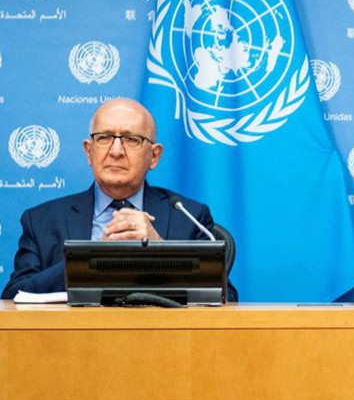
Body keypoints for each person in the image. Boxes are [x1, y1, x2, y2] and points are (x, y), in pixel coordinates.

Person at [2, 98, 238, 301]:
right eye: (104, 138)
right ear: (88, 151)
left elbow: (226, 297)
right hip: (74, 346)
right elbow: (15, 297)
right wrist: (89, 261)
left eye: (131, 139)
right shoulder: (41, 220)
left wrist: (160, 251)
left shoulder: (189, 216)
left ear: (154, 156)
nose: (115, 151)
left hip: (162, 346)